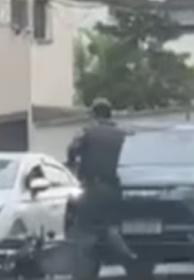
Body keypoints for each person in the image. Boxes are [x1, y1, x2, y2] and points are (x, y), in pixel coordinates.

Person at [66, 98, 136, 280]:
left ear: (93, 114)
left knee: (86, 231)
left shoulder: (86, 132)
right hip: (116, 187)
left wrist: (74, 167)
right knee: (111, 224)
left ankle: (89, 270)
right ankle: (127, 257)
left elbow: (72, 150)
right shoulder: (123, 133)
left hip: (93, 187)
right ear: (110, 113)